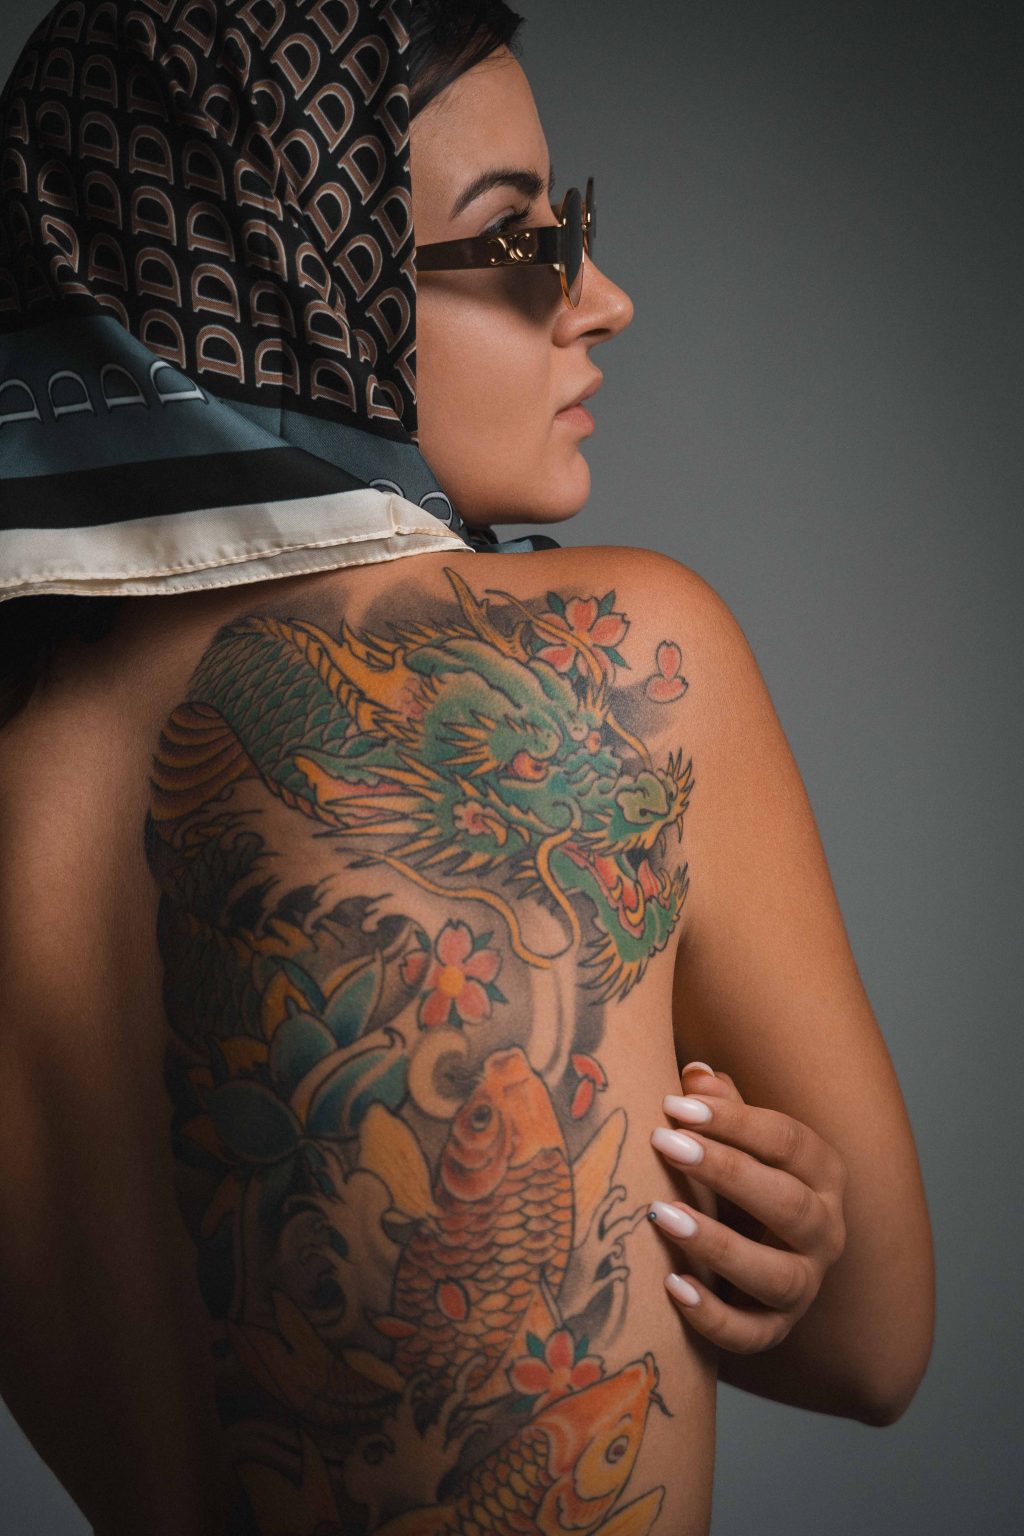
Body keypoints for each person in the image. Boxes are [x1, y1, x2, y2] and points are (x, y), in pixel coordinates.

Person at [0, 2, 933, 1532]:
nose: (602, 299)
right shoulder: (615, 656)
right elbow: (880, 1350)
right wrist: (810, 1243)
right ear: (295, 280)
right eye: (520, 240)